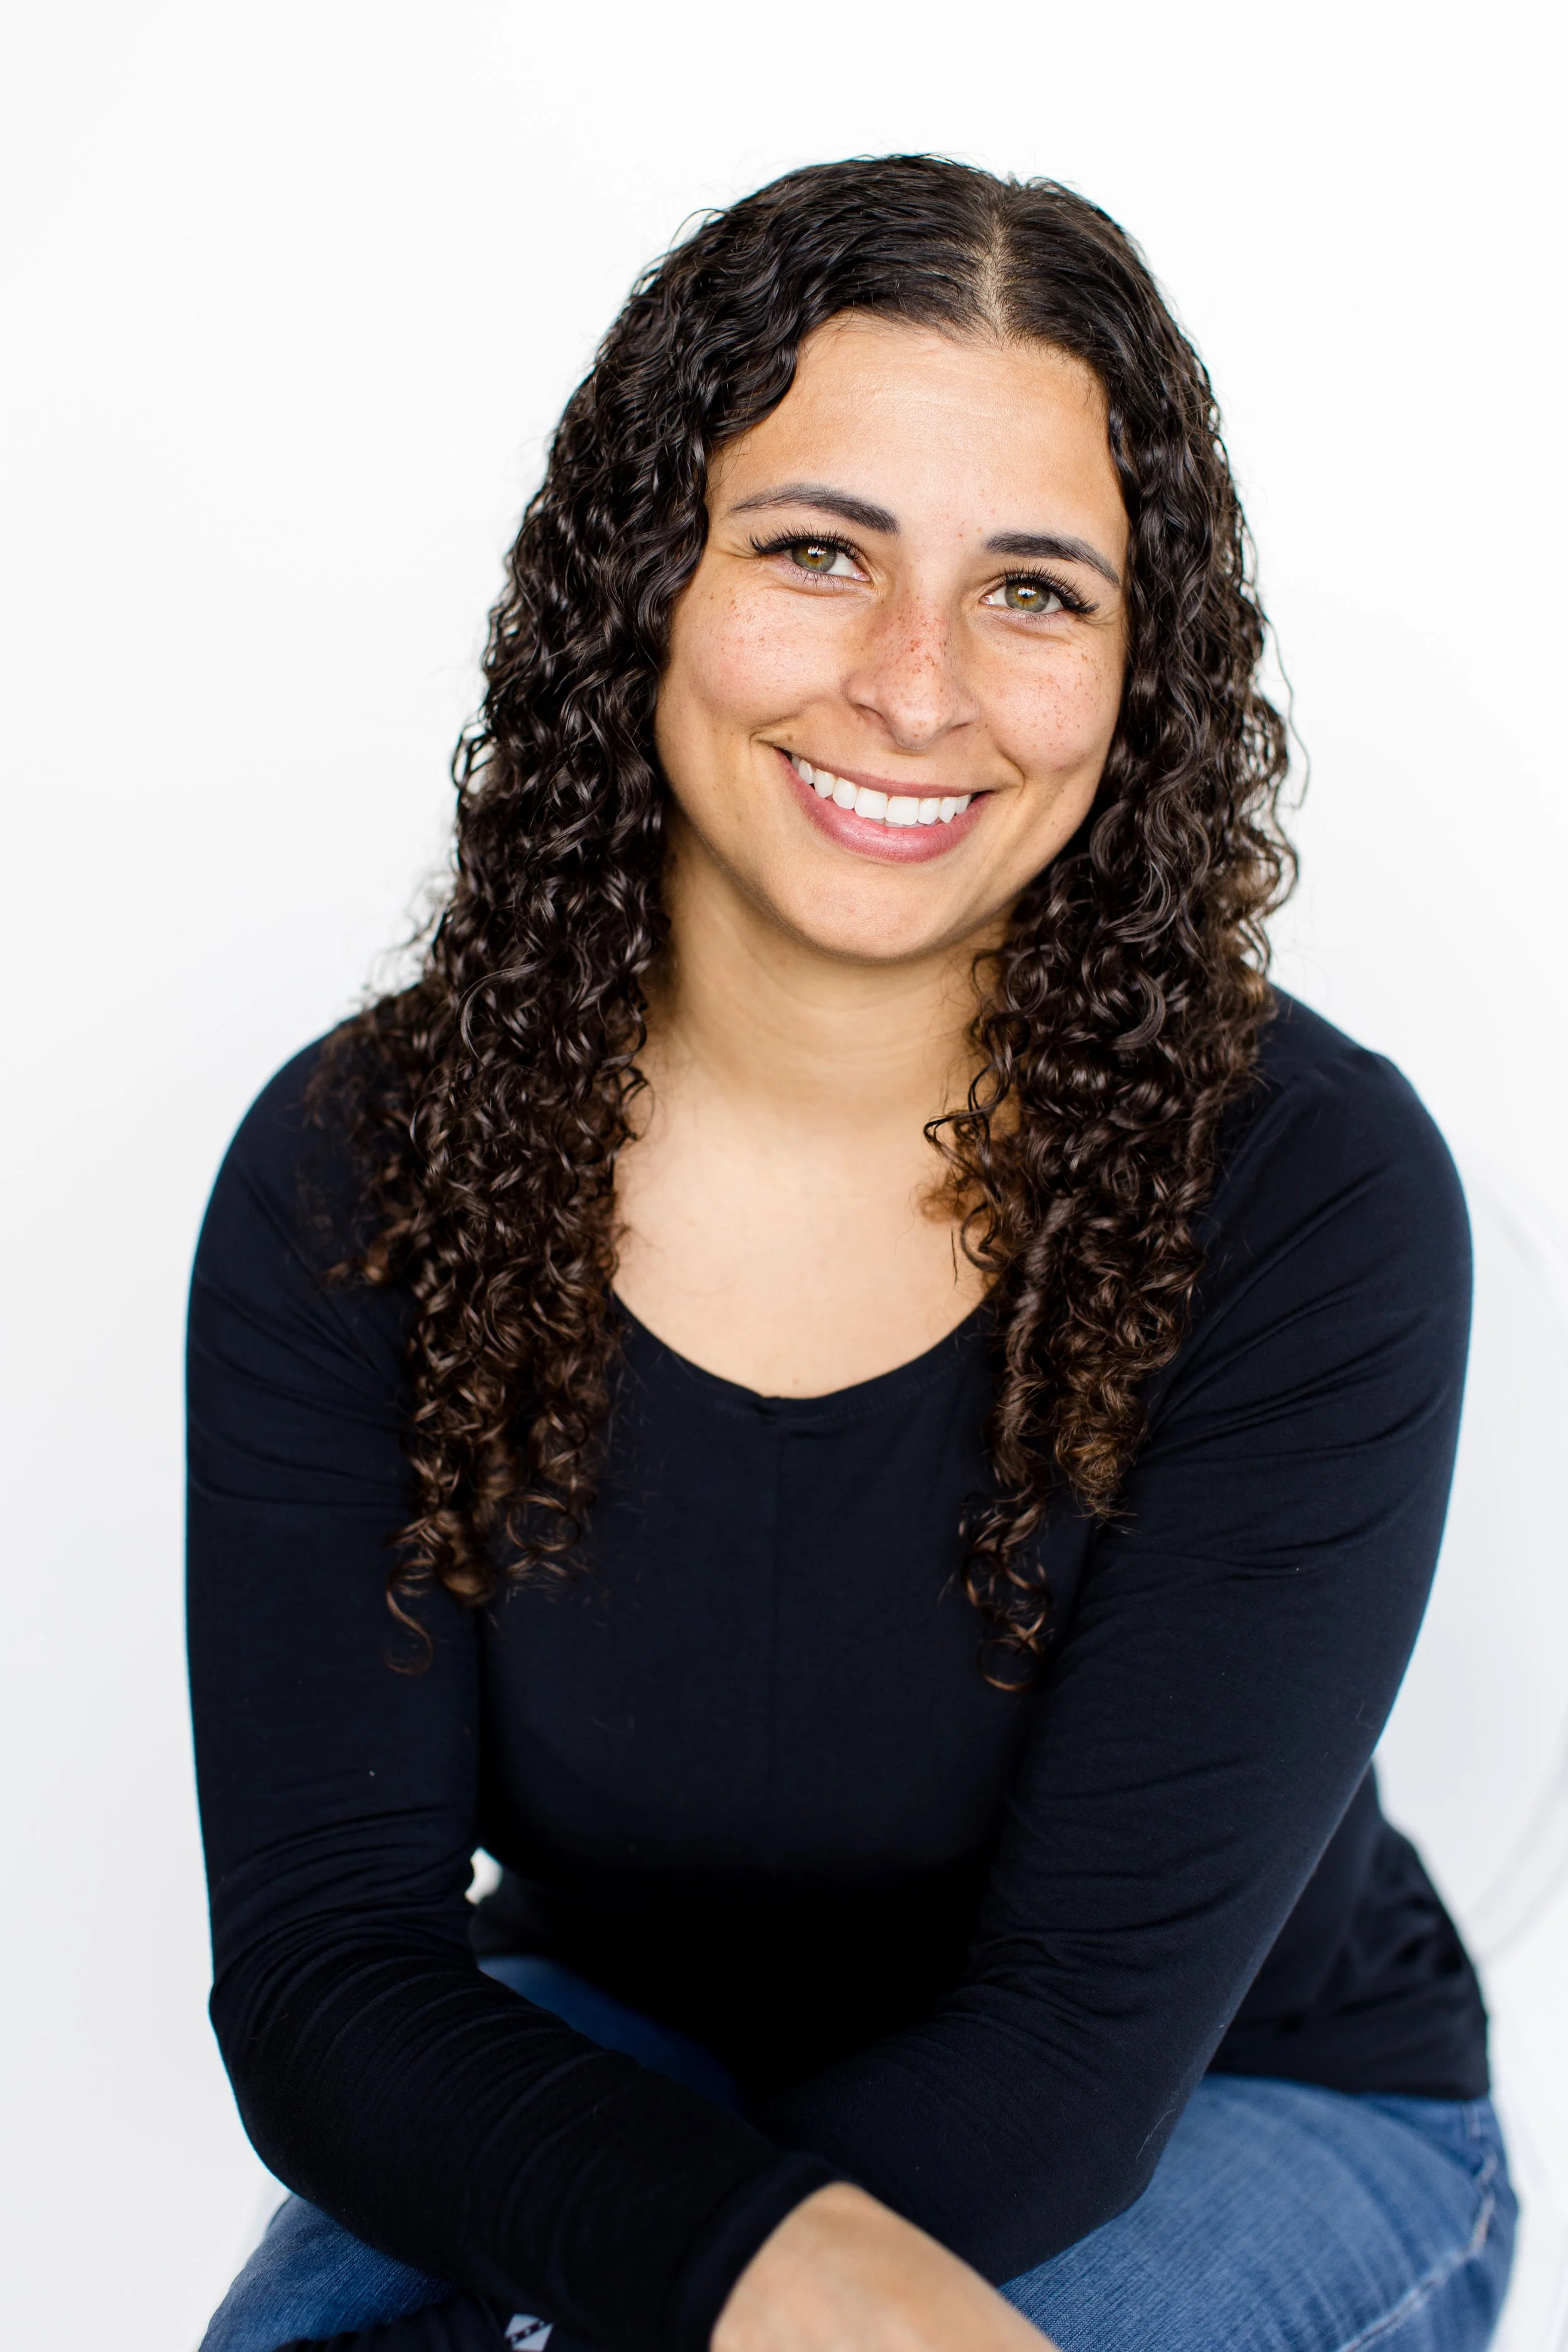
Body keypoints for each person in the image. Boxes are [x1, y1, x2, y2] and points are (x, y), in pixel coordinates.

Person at [188, 157, 1513, 2352]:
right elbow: (335, 1974)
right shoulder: (364, 1168)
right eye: (817, 552)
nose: (914, 688)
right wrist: (652, 2267)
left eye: (1033, 590)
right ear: (642, 585)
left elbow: (1076, 2067)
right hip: (611, 2042)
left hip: (1227, 2102)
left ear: (1138, 667)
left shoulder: (1304, 1189)